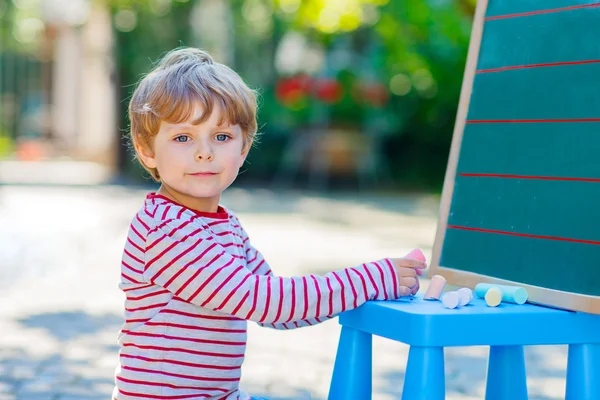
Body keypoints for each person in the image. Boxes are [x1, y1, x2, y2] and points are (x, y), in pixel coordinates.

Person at [113, 47, 426, 400]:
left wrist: (368, 288)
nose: (205, 152)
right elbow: (264, 301)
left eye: (222, 137)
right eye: (183, 138)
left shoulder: (226, 226)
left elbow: (284, 313)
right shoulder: (166, 229)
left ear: (243, 147)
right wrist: (370, 279)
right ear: (147, 150)